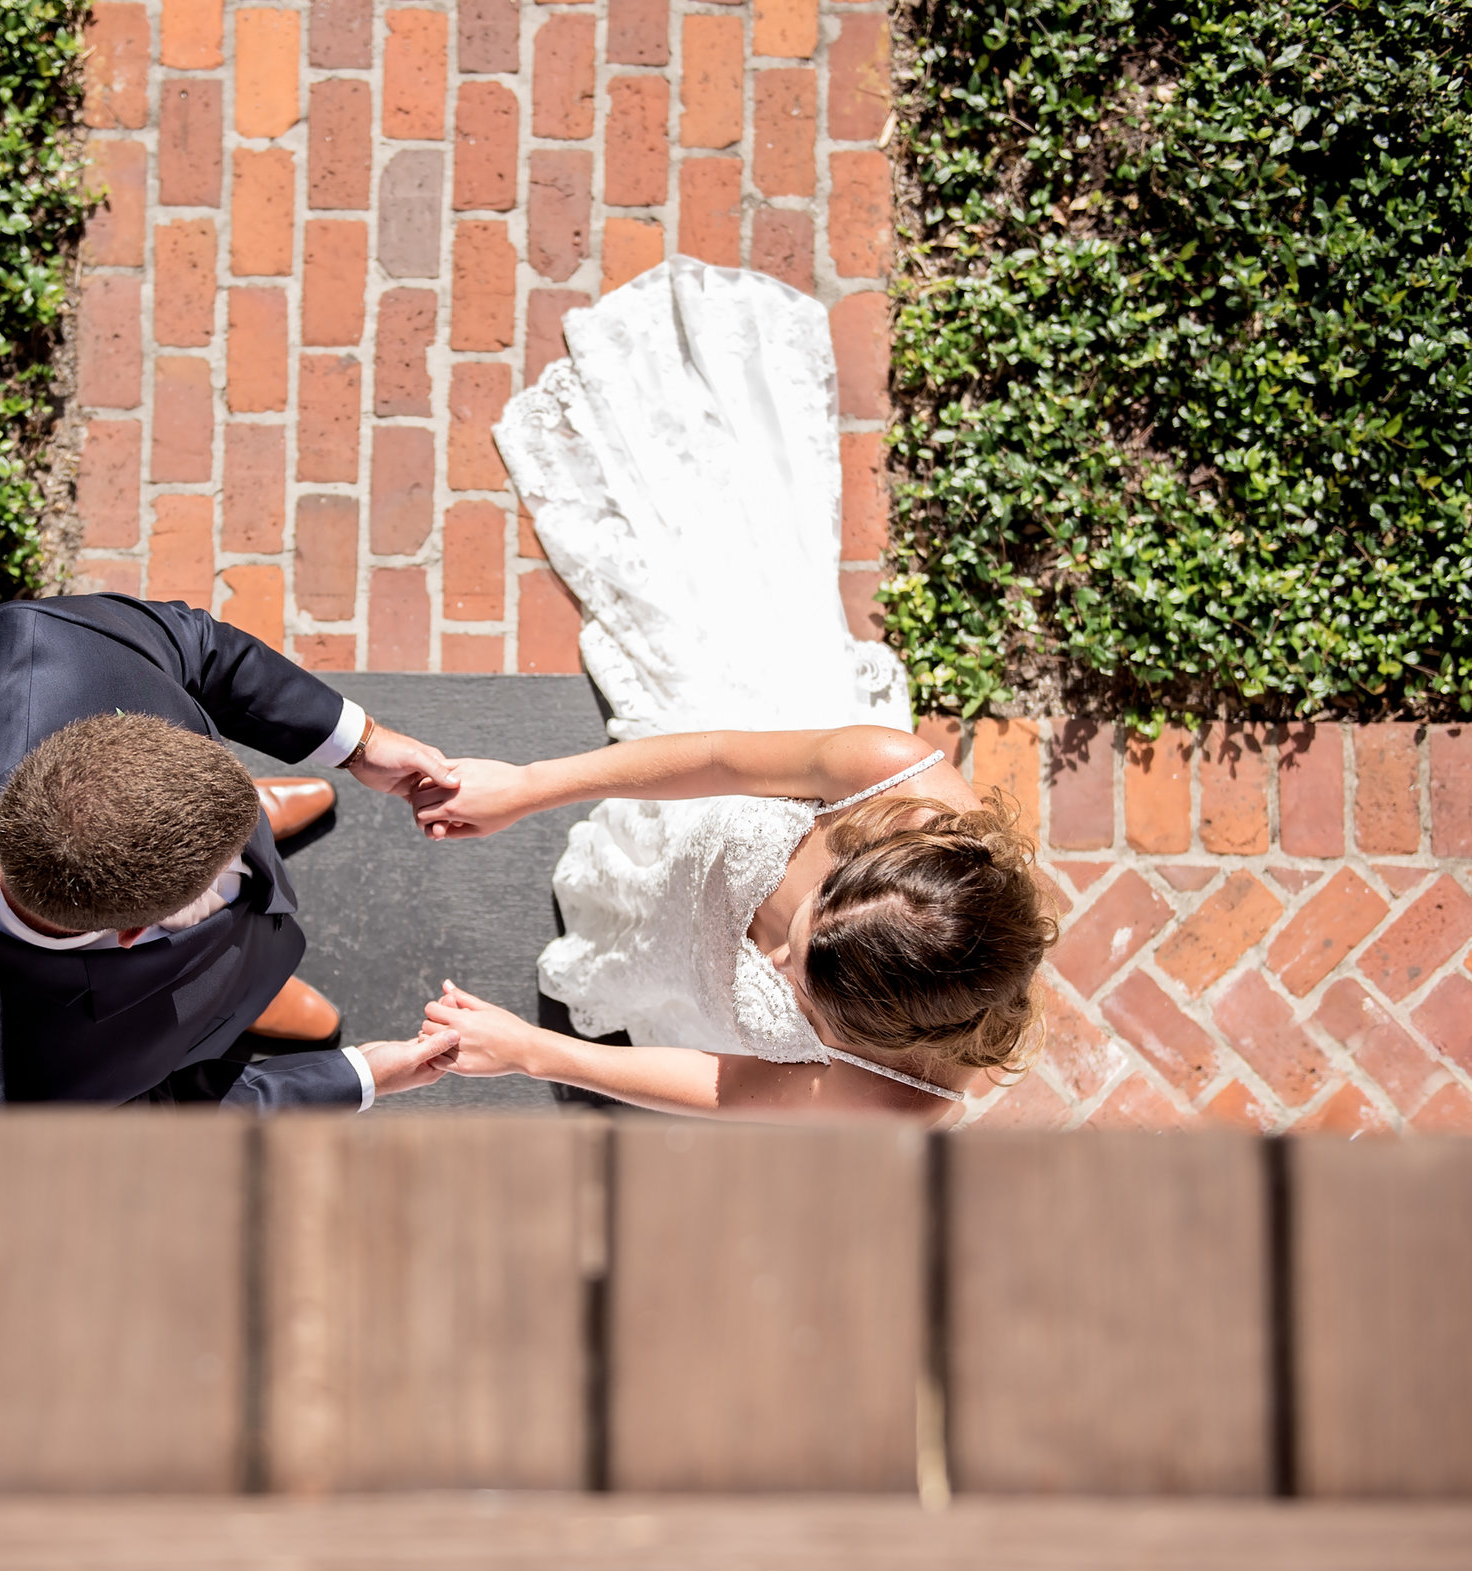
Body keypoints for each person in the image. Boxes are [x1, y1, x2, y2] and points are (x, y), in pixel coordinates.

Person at [403, 258, 1059, 1118]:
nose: (773, 965)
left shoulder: (907, 1101)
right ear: (864, 856)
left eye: (801, 994)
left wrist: (532, 1052)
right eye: (801, 935)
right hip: (698, 837)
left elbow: (744, 1084)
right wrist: (527, 788)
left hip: (685, 976)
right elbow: (716, 753)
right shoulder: (888, 771)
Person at [0, 592, 463, 1110]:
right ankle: (234, 1005)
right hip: (170, 1015)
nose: (249, 860)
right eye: (224, 869)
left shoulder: (46, 638)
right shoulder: (12, 1097)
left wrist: (359, 743)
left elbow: (201, 646)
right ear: (133, 935)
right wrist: (362, 1076)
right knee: (217, 997)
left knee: (235, 849)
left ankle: (241, 929)